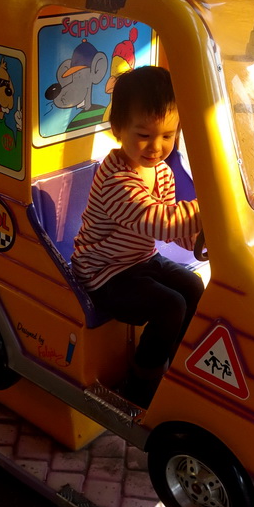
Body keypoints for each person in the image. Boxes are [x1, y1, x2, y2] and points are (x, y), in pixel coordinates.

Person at [71, 65, 204, 406]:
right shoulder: (115, 179)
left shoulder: (161, 172)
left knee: (193, 286)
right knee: (170, 304)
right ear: (118, 129)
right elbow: (156, 220)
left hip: (139, 259)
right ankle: (141, 386)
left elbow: (171, 232)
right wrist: (209, 213)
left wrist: (201, 241)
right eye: (144, 134)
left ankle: (176, 366)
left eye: (168, 136)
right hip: (103, 273)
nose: (156, 147)